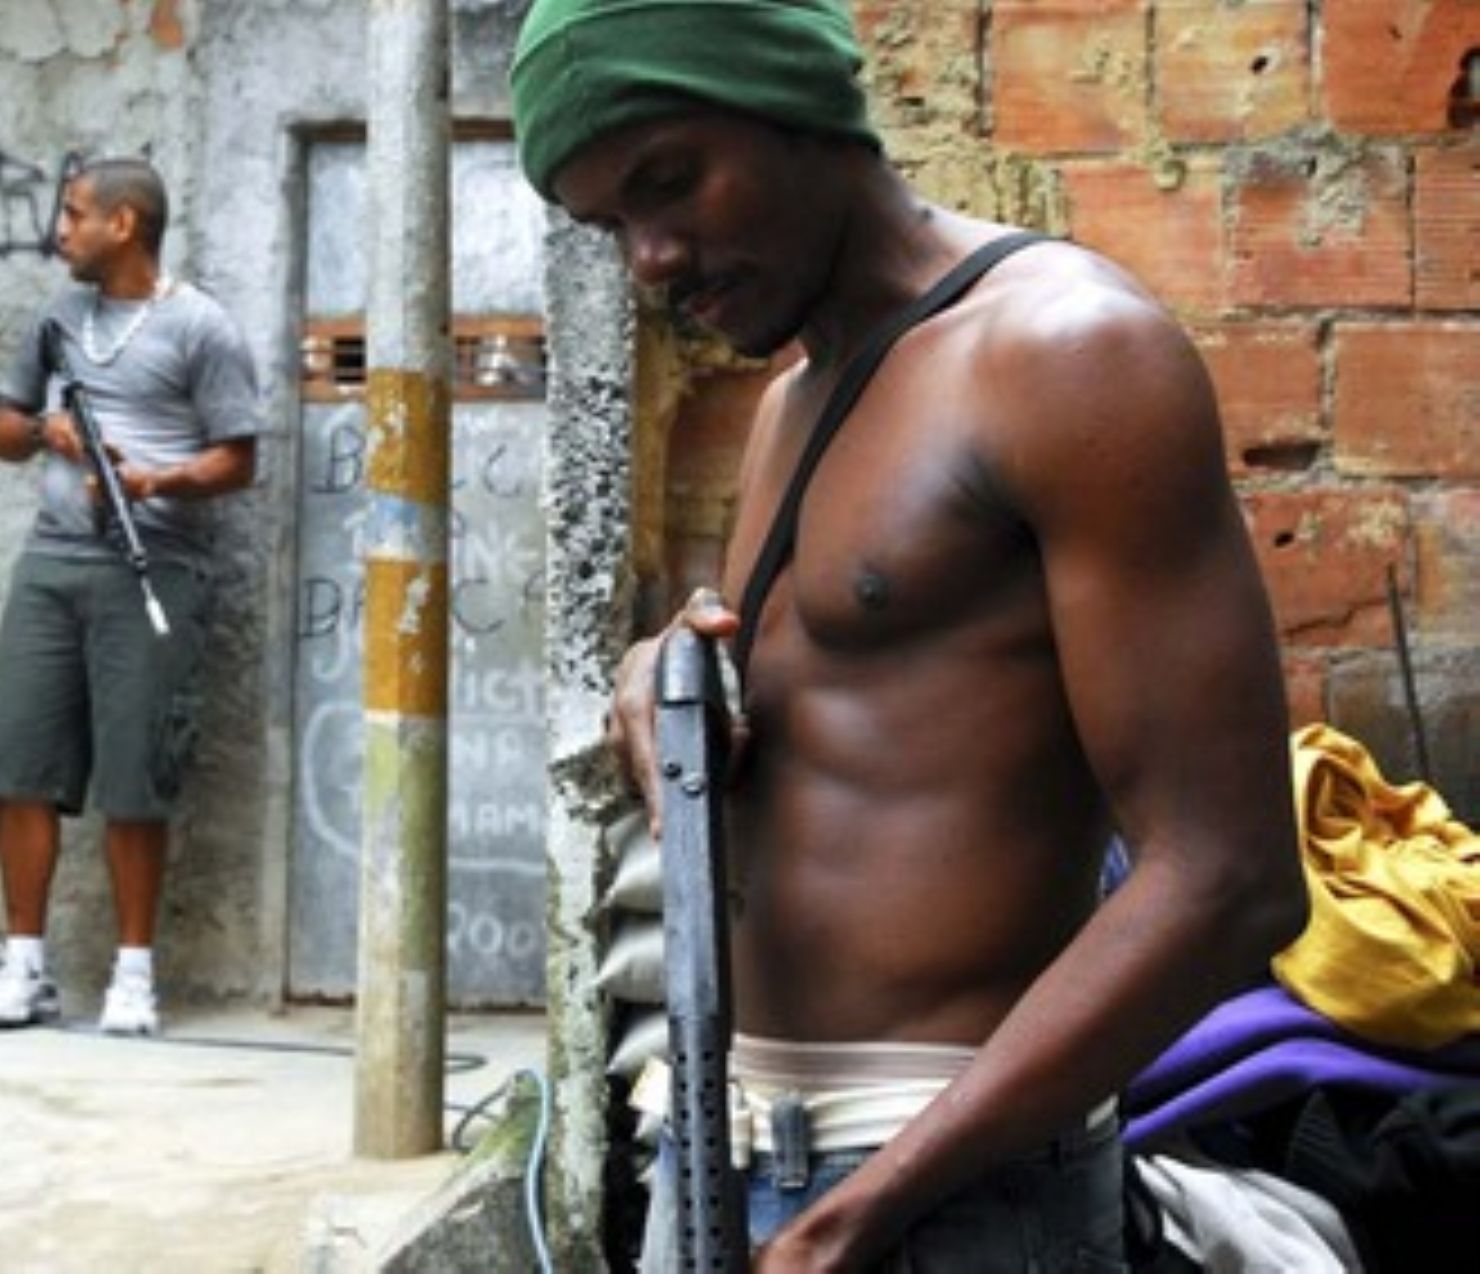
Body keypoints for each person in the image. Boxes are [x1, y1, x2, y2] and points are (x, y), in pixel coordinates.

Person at [510, 1, 1309, 1269]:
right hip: (717, 1150)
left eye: (670, 180)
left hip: (947, 1189)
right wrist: (659, 677)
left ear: (797, 102)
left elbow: (1228, 876)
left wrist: (871, 1201)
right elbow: (853, 703)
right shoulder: (791, 400)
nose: (651, 257)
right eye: (611, 223)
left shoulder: (1067, 355)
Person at [0, 157, 266, 1037]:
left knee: (136, 775)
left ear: (124, 225)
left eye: (75, 214)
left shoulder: (201, 327)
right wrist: (45, 430)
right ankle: (23, 968)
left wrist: (151, 481)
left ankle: (133, 977)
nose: (60, 230)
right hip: (49, 564)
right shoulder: (59, 320)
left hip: (153, 568)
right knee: (20, 766)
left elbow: (238, 458)